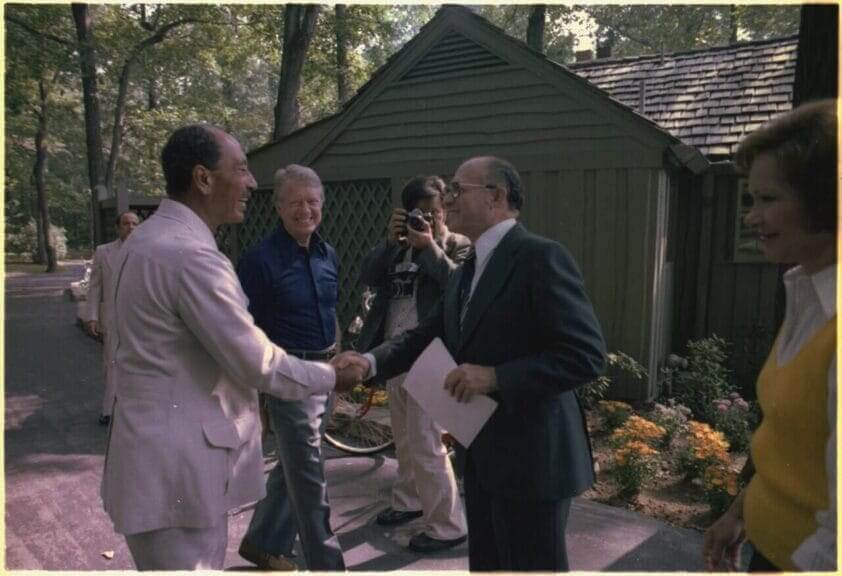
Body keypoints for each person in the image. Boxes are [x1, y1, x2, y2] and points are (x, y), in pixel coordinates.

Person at [100, 124, 362, 571]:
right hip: (180, 476)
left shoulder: (147, 239)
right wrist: (332, 375)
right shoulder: (192, 256)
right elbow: (256, 361)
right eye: (240, 169)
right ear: (203, 179)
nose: (251, 182)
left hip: (156, 464)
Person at [336, 156, 606, 571]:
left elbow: (585, 355)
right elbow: (426, 335)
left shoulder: (540, 257)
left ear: (496, 196)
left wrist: (497, 377)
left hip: (534, 461)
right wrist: (368, 362)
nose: (448, 199)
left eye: (458, 189)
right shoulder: (468, 269)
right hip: (482, 456)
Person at [702, 99, 837, 572]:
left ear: (827, 197)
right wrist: (740, 513)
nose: (750, 217)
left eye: (768, 199)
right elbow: (789, 440)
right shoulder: (807, 295)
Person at [235, 165, 345, 571]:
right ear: (278, 207)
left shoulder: (328, 254)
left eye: (312, 201)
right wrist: (258, 398)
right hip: (287, 380)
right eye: (295, 202)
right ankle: (327, 567)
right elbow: (245, 334)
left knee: (296, 465)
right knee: (310, 478)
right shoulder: (259, 261)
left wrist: (337, 369)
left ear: (322, 205)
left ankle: (263, 541)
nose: (305, 210)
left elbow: (330, 313)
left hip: (325, 374)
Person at [356, 175, 470, 553]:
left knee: (426, 442)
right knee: (403, 438)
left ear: (444, 211)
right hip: (396, 352)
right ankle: (409, 500)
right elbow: (367, 276)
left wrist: (430, 247)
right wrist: (391, 243)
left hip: (432, 356)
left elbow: (460, 287)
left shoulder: (457, 245)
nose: (430, 220)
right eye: (420, 214)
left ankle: (447, 525)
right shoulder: (397, 247)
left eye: (435, 212)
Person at [85, 210, 140, 425]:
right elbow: (95, 287)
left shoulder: (146, 251)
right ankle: (108, 410)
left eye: (135, 224)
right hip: (112, 318)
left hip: (139, 318)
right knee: (112, 362)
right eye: (126, 224)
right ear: (118, 227)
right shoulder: (104, 252)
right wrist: (92, 316)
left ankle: (135, 410)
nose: (131, 228)